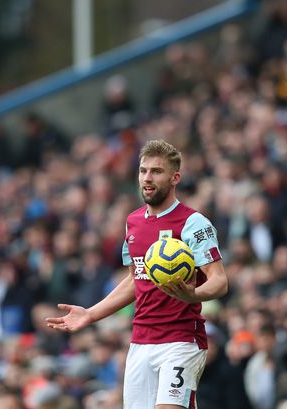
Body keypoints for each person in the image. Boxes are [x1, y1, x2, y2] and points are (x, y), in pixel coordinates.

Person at [46, 139, 229, 409]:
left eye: (156, 171)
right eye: (143, 171)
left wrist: (194, 294)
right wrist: (91, 314)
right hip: (141, 341)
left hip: (180, 339)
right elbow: (136, 279)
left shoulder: (192, 223)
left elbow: (219, 281)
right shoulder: (133, 222)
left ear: (175, 177)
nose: (147, 178)